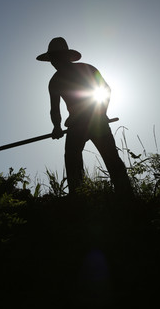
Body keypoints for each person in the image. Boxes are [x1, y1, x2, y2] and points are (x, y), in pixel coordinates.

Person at [37, 37, 132, 196]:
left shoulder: (85, 69)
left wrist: (101, 112)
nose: (54, 63)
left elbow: (105, 90)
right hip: (77, 124)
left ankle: (126, 196)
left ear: (65, 57)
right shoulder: (55, 82)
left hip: (96, 121)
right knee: (73, 160)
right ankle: (79, 197)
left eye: (56, 58)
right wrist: (57, 127)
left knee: (111, 159)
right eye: (52, 59)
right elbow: (55, 110)